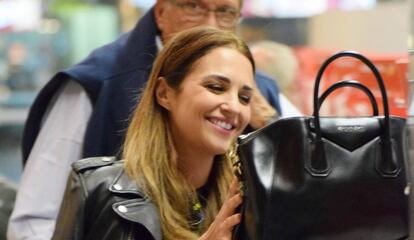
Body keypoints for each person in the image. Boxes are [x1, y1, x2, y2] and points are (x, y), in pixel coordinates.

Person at [9, 0, 281, 239]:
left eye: (225, 11)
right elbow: (35, 221)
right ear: (161, 11)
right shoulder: (96, 83)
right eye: (193, 6)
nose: (210, 22)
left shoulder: (249, 194)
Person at [53, 27, 252, 240]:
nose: (233, 106)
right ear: (164, 93)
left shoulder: (252, 201)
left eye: (244, 98)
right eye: (215, 87)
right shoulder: (96, 187)